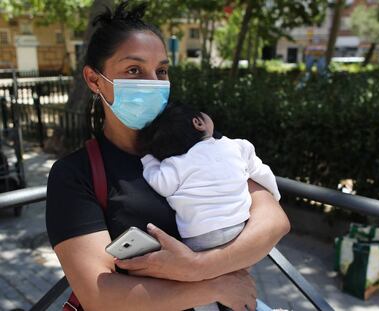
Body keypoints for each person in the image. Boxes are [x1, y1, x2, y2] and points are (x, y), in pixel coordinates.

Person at [46, 2, 290, 311]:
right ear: (95, 80)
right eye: (134, 70)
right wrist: (214, 285)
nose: (153, 82)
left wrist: (196, 267)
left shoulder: (194, 139)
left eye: (161, 70)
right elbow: (99, 295)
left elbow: (273, 221)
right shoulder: (74, 175)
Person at [139, 104, 281, 311]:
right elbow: (263, 173)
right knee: (233, 273)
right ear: (198, 123)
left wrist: (147, 159)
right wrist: (275, 196)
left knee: (202, 285)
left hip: (198, 237)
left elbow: (160, 183)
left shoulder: (176, 164)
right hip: (239, 229)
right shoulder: (237, 146)